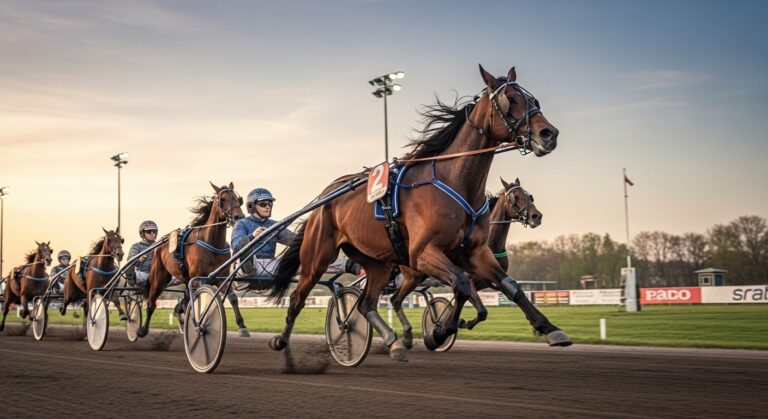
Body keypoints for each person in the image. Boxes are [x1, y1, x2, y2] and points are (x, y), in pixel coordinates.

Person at [231, 188, 361, 278]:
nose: (268, 206)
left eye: (270, 203)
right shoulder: (241, 224)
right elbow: (236, 246)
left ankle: (346, 265)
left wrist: (319, 238)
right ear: (251, 206)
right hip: (247, 266)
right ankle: (248, 263)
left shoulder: (275, 226)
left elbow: (296, 242)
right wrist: (252, 237)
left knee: (305, 259)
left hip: (273, 266)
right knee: (245, 251)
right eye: (263, 203)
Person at [126, 220, 159, 290]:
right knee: (131, 269)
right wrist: (139, 260)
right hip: (144, 275)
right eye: (149, 232)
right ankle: (132, 278)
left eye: (154, 231)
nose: (152, 233)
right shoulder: (136, 246)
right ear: (142, 233)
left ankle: (187, 294)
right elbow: (130, 261)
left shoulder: (161, 246)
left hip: (160, 276)